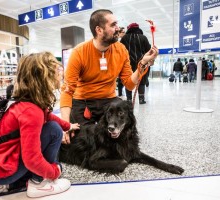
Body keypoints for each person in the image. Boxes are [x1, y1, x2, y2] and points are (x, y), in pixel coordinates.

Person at [0, 52, 80, 199]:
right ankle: (39, 184)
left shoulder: (27, 102)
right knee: (53, 131)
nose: (59, 71)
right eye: (54, 69)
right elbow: (31, 159)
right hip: (4, 173)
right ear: (43, 77)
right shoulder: (31, 112)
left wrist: (67, 126)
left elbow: (47, 115)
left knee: (54, 128)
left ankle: (14, 182)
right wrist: (54, 171)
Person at [60, 9, 158, 144]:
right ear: (99, 30)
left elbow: (129, 84)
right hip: (83, 102)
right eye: (113, 25)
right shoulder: (79, 52)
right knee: (83, 142)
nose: (118, 28)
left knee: (120, 138)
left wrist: (143, 63)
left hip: (108, 100)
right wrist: (65, 125)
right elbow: (67, 91)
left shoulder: (121, 50)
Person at [120, 22, 151, 104]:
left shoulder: (124, 38)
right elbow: (148, 50)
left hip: (128, 63)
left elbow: (120, 51)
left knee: (128, 80)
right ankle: (141, 99)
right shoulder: (143, 37)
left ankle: (129, 99)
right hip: (141, 63)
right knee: (141, 80)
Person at [117, 26, 126, 99]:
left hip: (122, 61)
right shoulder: (118, 41)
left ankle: (120, 92)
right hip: (118, 62)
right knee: (120, 79)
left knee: (121, 78)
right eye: (123, 32)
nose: (124, 34)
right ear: (119, 33)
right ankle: (119, 93)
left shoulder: (124, 40)